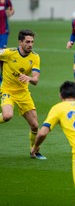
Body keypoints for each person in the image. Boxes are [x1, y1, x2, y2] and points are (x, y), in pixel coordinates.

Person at [0, 29, 46, 159]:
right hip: (7, 90)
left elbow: (36, 80)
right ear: (20, 42)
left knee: (35, 125)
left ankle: (34, 151)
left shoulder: (35, 57)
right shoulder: (9, 53)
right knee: (8, 115)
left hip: (23, 93)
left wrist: (29, 78)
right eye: (27, 42)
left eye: (32, 42)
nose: (30, 44)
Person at [0, 0, 14, 85]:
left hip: (3, 31)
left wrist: (10, 12)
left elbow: (11, 9)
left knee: (1, 55)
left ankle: (3, 78)